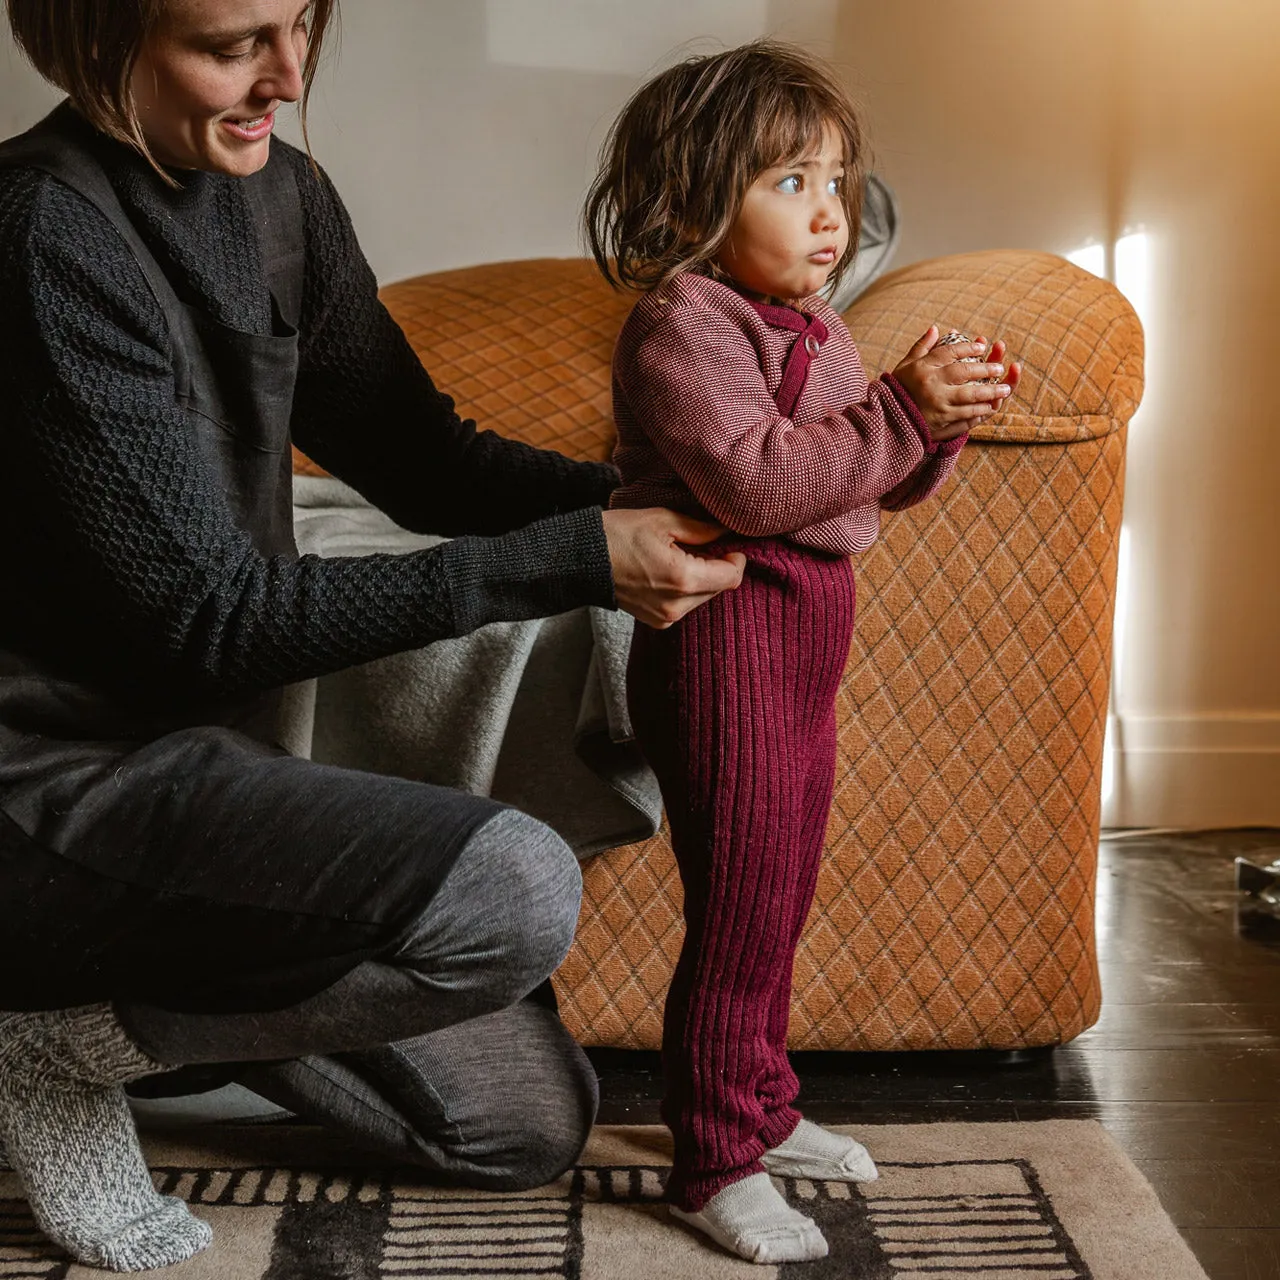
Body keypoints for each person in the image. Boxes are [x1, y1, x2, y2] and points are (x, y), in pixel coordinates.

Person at [0, 0, 749, 1271]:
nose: (287, 76)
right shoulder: (38, 233)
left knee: (520, 1124)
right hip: (41, 789)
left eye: (300, 25)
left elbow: (423, 459)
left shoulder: (281, 197)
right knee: (510, 889)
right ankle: (53, 1045)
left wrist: (677, 502)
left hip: (197, 776)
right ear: (93, 35)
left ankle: (126, 1006)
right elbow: (208, 620)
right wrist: (576, 563)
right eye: (234, 43)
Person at [584, 42, 1022, 1265]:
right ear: (690, 200)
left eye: (834, 179)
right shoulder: (683, 322)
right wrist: (892, 413)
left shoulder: (807, 321)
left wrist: (934, 428)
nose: (827, 211)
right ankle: (713, 1156)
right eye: (786, 181)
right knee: (736, 909)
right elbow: (762, 480)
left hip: (801, 651)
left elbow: (852, 497)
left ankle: (763, 1109)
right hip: (725, 653)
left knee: (778, 902)